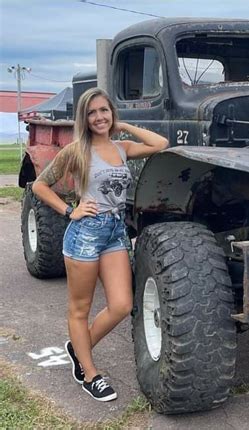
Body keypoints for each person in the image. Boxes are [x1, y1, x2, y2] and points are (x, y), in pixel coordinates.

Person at [32, 87, 168, 401]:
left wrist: (126, 126)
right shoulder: (76, 151)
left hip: (115, 232)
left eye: (104, 110)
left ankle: (78, 350)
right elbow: (40, 185)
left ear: (111, 113)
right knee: (79, 309)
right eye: (92, 113)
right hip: (85, 233)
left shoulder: (122, 148)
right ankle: (90, 374)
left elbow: (160, 144)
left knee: (122, 305)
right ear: (84, 118)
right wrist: (69, 210)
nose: (99, 117)